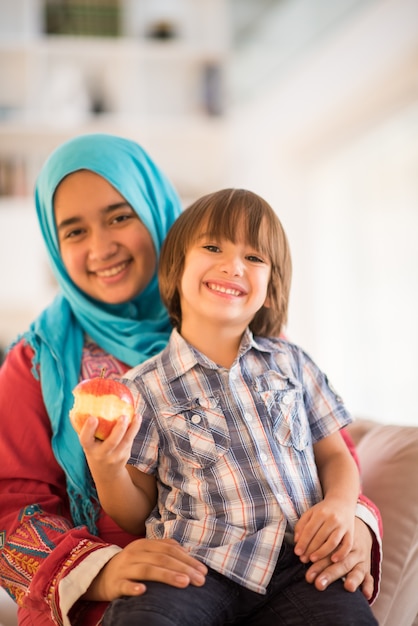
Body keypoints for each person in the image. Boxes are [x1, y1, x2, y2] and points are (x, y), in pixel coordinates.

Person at [0, 136, 380, 626]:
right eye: (73, 231)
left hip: (292, 566)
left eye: (120, 216)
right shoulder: (36, 361)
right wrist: (99, 569)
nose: (101, 246)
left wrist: (353, 523)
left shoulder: (262, 341)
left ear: (160, 214)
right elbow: (9, 508)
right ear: (55, 246)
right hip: (154, 583)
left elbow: (325, 456)